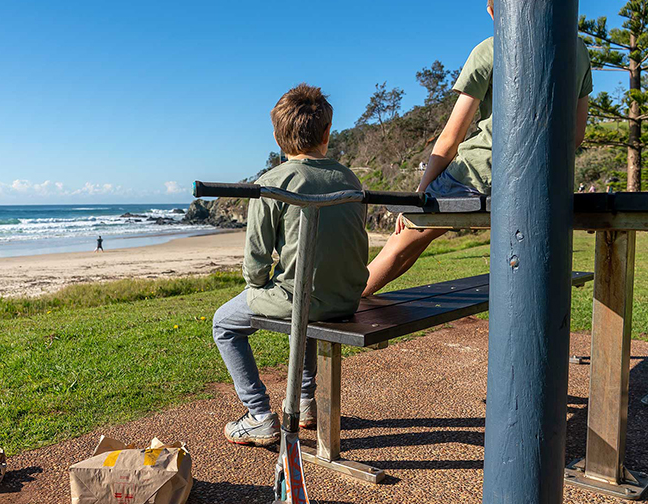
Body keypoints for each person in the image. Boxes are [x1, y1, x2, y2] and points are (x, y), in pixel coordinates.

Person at [361, 0, 593, 296]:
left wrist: (418, 198)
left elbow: (449, 139)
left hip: (477, 174)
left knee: (402, 240)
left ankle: (340, 307)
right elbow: (576, 134)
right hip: (538, 180)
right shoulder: (579, 50)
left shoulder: (491, 49)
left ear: (499, 9)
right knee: (415, 241)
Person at [212, 84, 369, 446]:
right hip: (346, 297)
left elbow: (255, 263)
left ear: (276, 136)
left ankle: (259, 414)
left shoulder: (272, 183)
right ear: (327, 132)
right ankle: (304, 400)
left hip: (303, 299)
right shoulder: (349, 179)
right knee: (306, 299)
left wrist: (261, 284)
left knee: (224, 323)